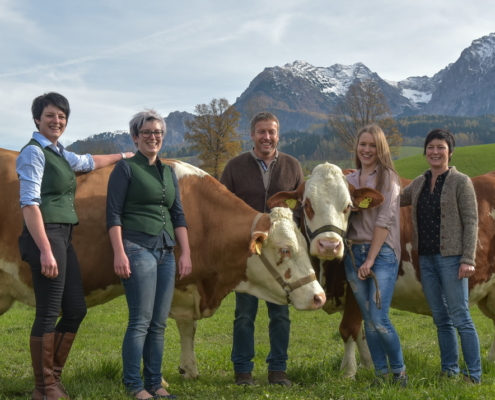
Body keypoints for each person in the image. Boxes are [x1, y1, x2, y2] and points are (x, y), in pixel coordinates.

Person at [16, 92, 134, 400]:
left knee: (76, 309)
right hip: (46, 235)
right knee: (48, 311)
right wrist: (44, 249)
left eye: (62, 116)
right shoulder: (33, 153)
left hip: (63, 237)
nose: (57, 121)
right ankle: (44, 389)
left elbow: (88, 162)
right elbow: (29, 203)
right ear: (37, 119)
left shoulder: (59, 152)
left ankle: (51, 379)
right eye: (51, 115)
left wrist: (123, 157)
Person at [107, 109, 192, 400]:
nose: (152, 137)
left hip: (167, 251)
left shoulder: (168, 171)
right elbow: (113, 214)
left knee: (158, 323)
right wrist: (119, 252)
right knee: (140, 321)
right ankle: (134, 385)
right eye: (146, 133)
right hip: (136, 248)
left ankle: (155, 383)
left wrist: (186, 254)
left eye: (157, 133)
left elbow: (178, 214)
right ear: (135, 137)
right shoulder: (126, 168)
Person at [220, 111, 304, 387]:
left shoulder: (293, 166)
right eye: (261, 132)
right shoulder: (234, 167)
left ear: (278, 134)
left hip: (280, 256)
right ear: (252, 135)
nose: (266, 137)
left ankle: (278, 370)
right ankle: (243, 371)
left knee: (280, 313)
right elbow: (223, 210)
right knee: (244, 314)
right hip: (248, 253)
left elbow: (301, 211)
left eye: (271, 132)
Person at [400, 129, 481, 384]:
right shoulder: (421, 182)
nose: (435, 152)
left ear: (450, 152)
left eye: (441, 148)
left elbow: (471, 222)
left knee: (461, 317)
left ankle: (473, 374)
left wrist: (468, 258)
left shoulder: (461, 182)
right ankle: (449, 370)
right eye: (431, 147)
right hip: (426, 259)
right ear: (425, 152)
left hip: (452, 258)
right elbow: (395, 200)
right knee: (440, 318)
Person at [343, 124, 407, 387]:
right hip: (352, 253)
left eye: (373, 145)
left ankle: (400, 373)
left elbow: (385, 221)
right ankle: (381, 375)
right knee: (368, 319)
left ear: (381, 149)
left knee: (380, 318)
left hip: (381, 254)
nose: (367, 150)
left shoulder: (388, 178)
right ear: (356, 148)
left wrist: (370, 259)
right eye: (363, 144)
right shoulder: (349, 181)